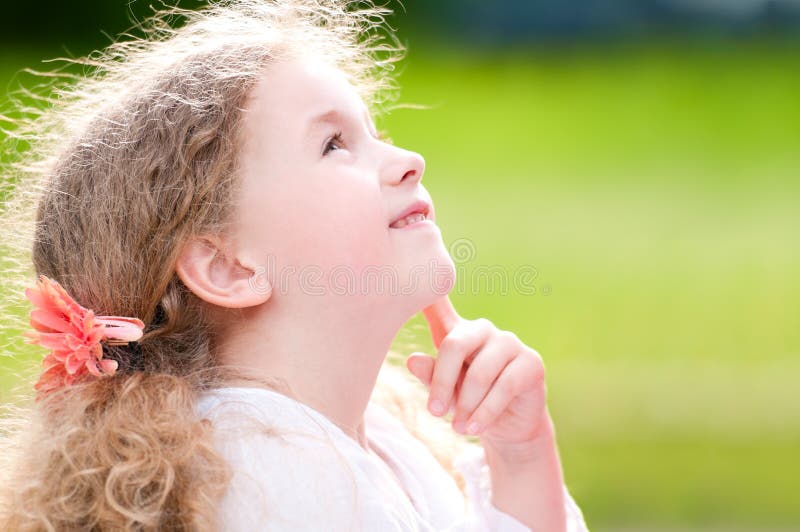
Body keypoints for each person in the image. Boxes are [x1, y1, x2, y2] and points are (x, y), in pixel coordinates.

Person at [0, 1, 589, 530]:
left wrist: (521, 454)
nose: (410, 159)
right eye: (334, 145)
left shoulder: (359, 437)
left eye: (375, 133)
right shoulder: (274, 479)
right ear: (228, 266)